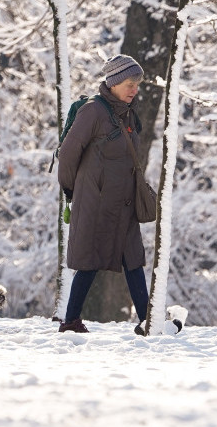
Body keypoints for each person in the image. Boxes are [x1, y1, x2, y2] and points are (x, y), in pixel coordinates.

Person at [57, 54, 151, 334]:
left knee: (133, 259)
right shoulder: (93, 111)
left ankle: (147, 320)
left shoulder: (128, 113)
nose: (134, 90)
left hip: (124, 202)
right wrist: (73, 191)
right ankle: (70, 321)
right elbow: (68, 155)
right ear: (113, 83)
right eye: (130, 84)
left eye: (137, 84)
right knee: (89, 262)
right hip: (96, 202)